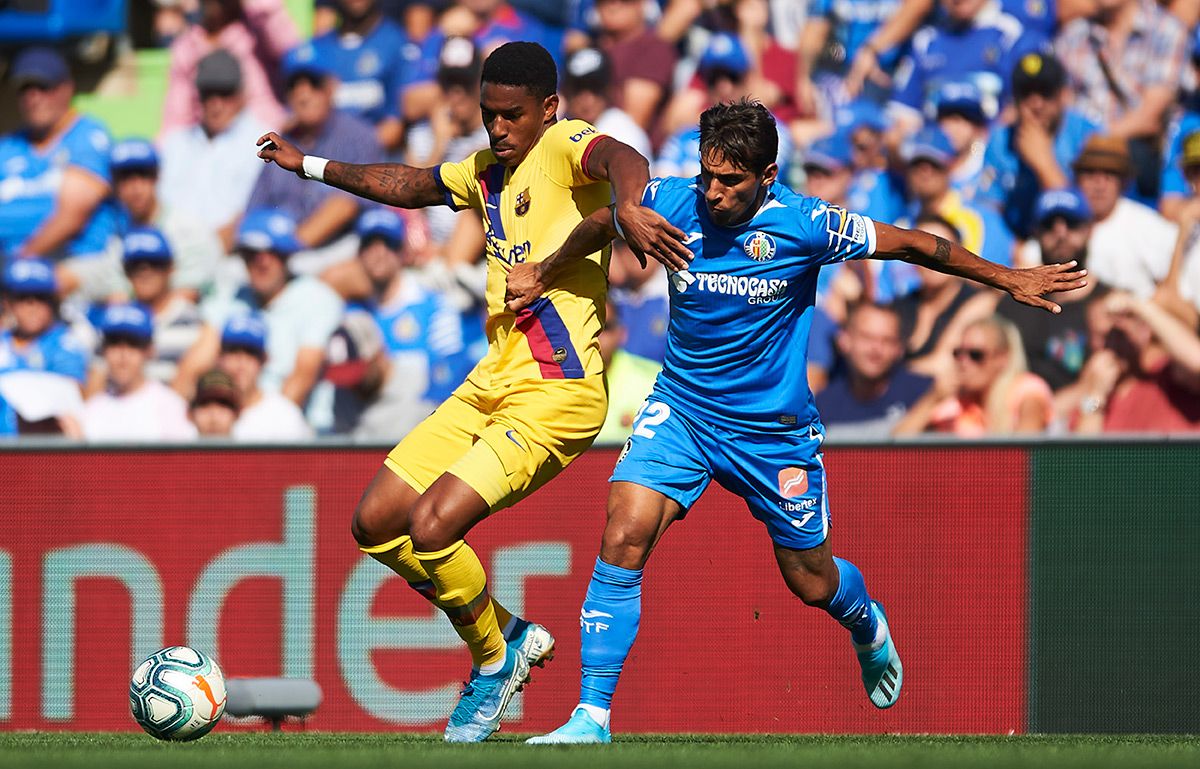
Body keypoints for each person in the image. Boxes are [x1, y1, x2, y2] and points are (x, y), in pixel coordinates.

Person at [508, 99, 1082, 743]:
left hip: (771, 433)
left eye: (731, 181)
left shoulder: (807, 224)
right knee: (624, 531)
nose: (714, 193)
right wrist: (543, 271)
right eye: (707, 175)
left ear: (768, 176)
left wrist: (1008, 277)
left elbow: (916, 245)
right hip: (684, 412)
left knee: (810, 581)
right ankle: (592, 715)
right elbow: (603, 222)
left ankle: (865, 621)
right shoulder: (670, 204)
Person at [255, 41, 689, 742]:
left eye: (511, 115)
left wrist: (630, 204)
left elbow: (621, 160)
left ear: (547, 109)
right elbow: (408, 183)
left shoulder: (562, 144)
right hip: (492, 378)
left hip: (558, 391)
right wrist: (307, 163)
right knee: (373, 523)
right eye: (489, 115)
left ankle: (494, 660)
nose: (497, 128)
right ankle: (509, 632)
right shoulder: (487, 169)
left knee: (432, 527)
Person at [176, 209, 345, 407]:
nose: (262, 262)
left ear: (287, 256)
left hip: (294, 425)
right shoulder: (230, 299)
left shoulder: (318, 299)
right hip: (233, 421)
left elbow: (301, 379)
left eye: (273, 253)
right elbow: (190, 370)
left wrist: (261, 425)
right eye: (251, 254)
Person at [245, 45, 383, 271]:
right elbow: (254, 212)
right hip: (278, 255)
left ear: (331, 88)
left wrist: (285, 253)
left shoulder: (359, 136)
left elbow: (345, 207)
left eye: (313, 83)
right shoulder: (280, 142)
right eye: (294, 86)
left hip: (341, 252)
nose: (303, 94)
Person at [0, 47, 121, 301]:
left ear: (66, 88)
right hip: (10, 265)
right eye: (26, 89)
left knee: (33, 290)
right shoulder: (9, 146)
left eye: (43, 87)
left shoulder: (87, 136)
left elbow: (71, 216)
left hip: (74, 262)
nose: (34, 97)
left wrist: (18, 264)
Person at [158, 49, 271, 255]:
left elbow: (253, 213)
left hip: (233, 258)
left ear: (241, 93)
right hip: (167, 256)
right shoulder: (174, 143)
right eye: (208, 94)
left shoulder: (263, 142)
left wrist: (205, 253)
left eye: (225, 93)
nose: (216, 104)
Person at [977, 52, 1101, 238]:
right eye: (1026, 93)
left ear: (1063, 95)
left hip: (1074, 242)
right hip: (1019, 245)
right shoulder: (1000, 140)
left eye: (1045, 92)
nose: (1036, 103)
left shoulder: (1089, 135)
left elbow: (1087, 218)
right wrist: (1011, 246)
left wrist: (1043, 163)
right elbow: (989, 209)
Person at [893, 316, 1055, 435]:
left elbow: (1027, 445)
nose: (963, 362)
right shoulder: (956, 402)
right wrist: (933, 398)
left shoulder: (1027, 390)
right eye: (958, 353)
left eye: (975, 355)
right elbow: (896, 444)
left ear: (1002, 359)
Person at [1072, 290, 1200, 432]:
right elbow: (1085, 453)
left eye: (1120, 334)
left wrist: (1139, 306)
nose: (1114, 344)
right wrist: (1096, 396)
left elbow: (1196, 361)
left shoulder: (1167, 375)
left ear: (1145, 330)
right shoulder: (1092, 389)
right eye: (1104, 336)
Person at [111, 138, 224, 296]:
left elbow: (186, 297)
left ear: (157, 176)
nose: (135, 187)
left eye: (143, 174)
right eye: (125, 177)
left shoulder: (189, 231)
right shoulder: (116, 237)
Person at [1072, 136, 1178, 298]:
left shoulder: (1148, 226)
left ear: (1124, 182)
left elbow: (1176, 288)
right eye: (1091, 173)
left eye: (1109, 174)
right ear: (1078, 179)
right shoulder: (1061, 223)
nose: (1099, 184)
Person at [815, 303, 932, 440]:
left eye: (887, 340)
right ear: (844, 340)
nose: (876, 349)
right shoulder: (823, 405)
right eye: (867, 337)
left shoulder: (926, 394)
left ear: (900, 349)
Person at [80, 304, 196, 442]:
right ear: (104, 350)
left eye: (133, 344)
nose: (123, 354)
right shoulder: (91, 410)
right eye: (114, 343)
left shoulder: (171, 407)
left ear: (150, 350)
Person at [0, 259, 90, 437]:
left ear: (53, 302)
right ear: (9, 303)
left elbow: (68, 401)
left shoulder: (66, 345)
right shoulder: (3, 340)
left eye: (41, 298)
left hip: (42, 448)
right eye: (23, 298)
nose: (32, 306)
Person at [308, 0, 408, 151]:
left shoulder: (397, 43)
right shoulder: (316, 50)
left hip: (375, 162)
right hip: (323, 158)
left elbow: (394, 127)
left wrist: (349, 157)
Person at [116, 226, 204, 384]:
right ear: (125, 271)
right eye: (135, 265)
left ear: (171, 268)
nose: (145, 271)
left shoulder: (196, 323)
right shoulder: (115, 323)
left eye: (155, 263)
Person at [216, 314, 313, 441]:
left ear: (265, 359)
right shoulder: (202, 410)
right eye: (233, 351)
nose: (241, 363)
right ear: (219, 357)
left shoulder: (283, 415)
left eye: (251, 353)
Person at [189, 368, 242, 437]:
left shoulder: (255, 447)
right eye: (205, 405)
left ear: (237, 413)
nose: (214, 418)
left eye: (223, 405)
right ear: (190, 414)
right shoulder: (174, 447)